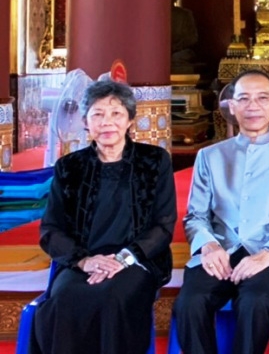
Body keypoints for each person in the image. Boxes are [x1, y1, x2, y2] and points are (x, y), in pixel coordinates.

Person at [174, 69, 269, 354]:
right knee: (190, 302)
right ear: (232, 105)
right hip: (220, 251)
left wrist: (268, 253)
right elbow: (195, 215)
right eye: (244, 99)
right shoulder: (210, 155)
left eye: (262, 98)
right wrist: (209, 246)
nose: (253, 106)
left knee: (254, 302)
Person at [34, 80, 177, 354]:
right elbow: (50, 229)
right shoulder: (69, 166)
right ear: (86, 122)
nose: (107, 122)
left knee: (113, 298)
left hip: (137, 261)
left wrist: (122, 260)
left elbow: (163, 225)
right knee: (65, 298)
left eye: (116, 114)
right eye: (97, 114)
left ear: (130, 121)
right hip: (83, 261)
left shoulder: (155, 161)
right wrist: (84, 261)